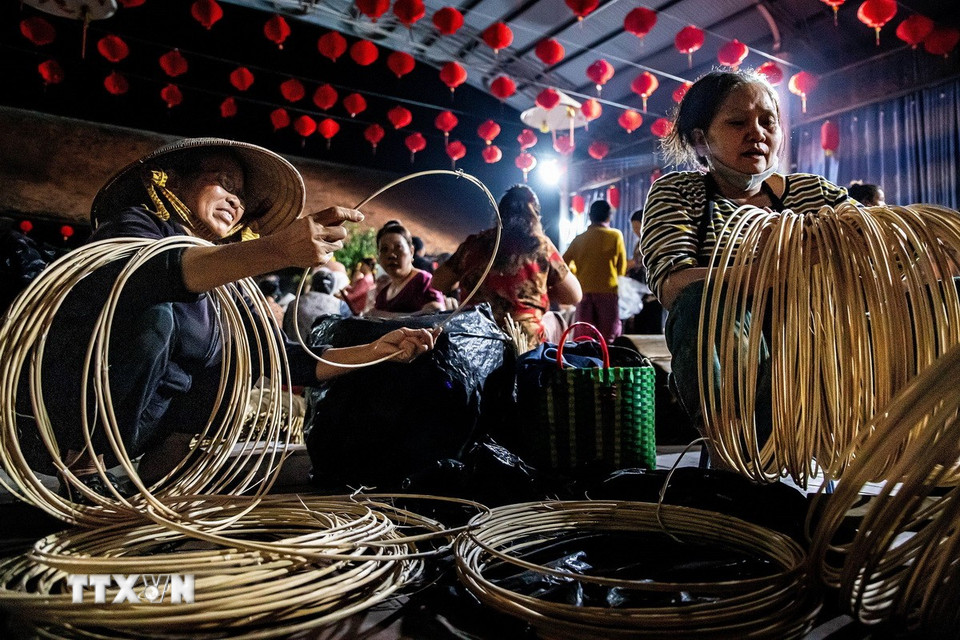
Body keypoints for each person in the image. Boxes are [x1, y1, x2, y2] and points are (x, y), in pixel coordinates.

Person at [29, 138, 438, 491]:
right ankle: (83, 468)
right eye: (221, 181)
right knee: (156, 318)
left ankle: (159, 489)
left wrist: (374, 350)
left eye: (241, 195)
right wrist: (276, 249)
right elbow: (152, 275)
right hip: (70, 414)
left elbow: (284, 359)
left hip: (144, 437)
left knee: (236, 362)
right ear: (170, 179)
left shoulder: (230, 288)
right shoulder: (137, 227)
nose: (235, 201)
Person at [639, 69, 849, 449]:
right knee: (702, 302)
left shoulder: (814, 194)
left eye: (768, 121)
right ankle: (741, 455)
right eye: (738, 122)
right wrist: (777, 270)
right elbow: (674, 285)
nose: (758, 133)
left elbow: (874, 247)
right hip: (735, 362)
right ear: (700, 140)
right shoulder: (680, 193)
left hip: (825, 348)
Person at [432, 184, 582, 352]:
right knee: (555, 320)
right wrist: (538, 292)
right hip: (524, 339)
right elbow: (574, 294)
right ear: (535, 215)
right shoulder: (539, 245)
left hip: (475, 335)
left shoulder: (475, 243)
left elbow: (438, 283)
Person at [562, 199, 628, 341]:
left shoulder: (579, 239)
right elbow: (621, 268)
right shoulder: (615, 236)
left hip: (584, 292)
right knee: (608, 338)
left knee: (584, 338)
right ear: (609, 216)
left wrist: (577, 275)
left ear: (590, 216)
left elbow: (563, 264)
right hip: (608, 292)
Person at [371, 221, 445, 316]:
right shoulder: (383, 294)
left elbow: (435, 313)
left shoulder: (424, 281)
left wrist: (381, 315)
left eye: (398, 247)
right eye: (384, 249)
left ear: (411, 251)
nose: (391, 255)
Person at [283, 269, 352, 342]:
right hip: (328, 351)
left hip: (296, 349)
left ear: (312, 284)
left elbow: (286, 328)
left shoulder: (294, 303)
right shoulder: (342, 305)